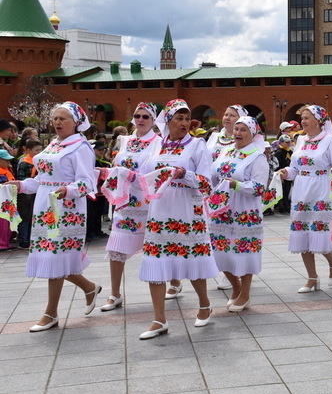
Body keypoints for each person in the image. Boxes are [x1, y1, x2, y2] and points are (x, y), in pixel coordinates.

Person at [6, 102, 101, 332]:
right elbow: (42, 180)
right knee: (54, 259)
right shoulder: (54, 145)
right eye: (55, 118)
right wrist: (19, 185)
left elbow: (87, 182)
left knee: (55, 259)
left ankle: (50, 313)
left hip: (66, 209)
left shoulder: (81, 147)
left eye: (63, 118)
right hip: (45, 208)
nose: (57, 122)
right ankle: (89, 288)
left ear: (76, 123)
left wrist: (67, 190)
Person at [138, 99, 219, 340]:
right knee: (156, 261)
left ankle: (204, 304)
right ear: (168, 121)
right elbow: (144, 175)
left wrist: (185, 174)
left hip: (186, 210)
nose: (184, 123)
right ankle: (159, 319)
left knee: (192, 260)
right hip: (160, 210)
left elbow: (208, 182)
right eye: (179, 118)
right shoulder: (155, 146)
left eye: (187, 119)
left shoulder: (197, 145)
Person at [279, 105, 332, 293]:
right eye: (302, 118)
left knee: (319, 232)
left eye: (307, 118)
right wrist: (285, 172)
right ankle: (312, 278)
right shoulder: (300, 140)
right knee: (302, 233)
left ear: (319, 120)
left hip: (321, 189)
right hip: (301, 189)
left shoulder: (329, 140)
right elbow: (295, 168)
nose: (303, 121)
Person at [100, 103, 160, 312]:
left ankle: (174, 282)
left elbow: (158, 173)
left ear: (153, 120)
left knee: (158, 247)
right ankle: (114, 293)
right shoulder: (125, 141)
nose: (140, 119)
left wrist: (134, 175)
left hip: (150, 203)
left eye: (145, 116)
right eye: (137, 115)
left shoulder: (158, 143)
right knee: (116, 247)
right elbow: (117, 166)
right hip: (125, 203)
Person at [209, 116, 268, 312]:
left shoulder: (257, 157)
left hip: (245, 210)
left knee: (244, 252)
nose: (238, 133)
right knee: (219, 250)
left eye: (243, 130)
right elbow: (214, 173)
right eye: (236, 129)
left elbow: (260, 187)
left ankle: (245, 293)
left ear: (252, 134)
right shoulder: (226, 150)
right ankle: (236, 286)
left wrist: (237, 184)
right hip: (223, 209)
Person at [16, 138, 42, 249]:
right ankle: (24, 240)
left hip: (36, 194)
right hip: (25, 196)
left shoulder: (40, 162)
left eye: (41, 150)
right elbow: (21, 178)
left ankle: (33, 238)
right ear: (27, 150)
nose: (39, 152)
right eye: (36, 150)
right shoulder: (24, 163)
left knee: (34, 216)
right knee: (25, 217)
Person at [86, 141, 111, 241]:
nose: (101, 151)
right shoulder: (91, 161)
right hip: (93, 190)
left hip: (102, 191)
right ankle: (91, 232)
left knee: (99, 211)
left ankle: (98, 230)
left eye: (103, 149)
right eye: (99, 149)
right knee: (92, 212)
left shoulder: (104, 160)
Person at [273, 134, 293, 214]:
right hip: (281, 174)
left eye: (289, 142)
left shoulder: (290, 151)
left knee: (287, 190)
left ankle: (286, 206)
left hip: (289, 173)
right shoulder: (278, 152)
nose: (288, 144)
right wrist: (280, 174)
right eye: (286, 142)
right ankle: (280, 207)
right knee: (281, 191)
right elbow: (277, 165)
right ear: (281, 143)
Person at [0, 149, 15, 250]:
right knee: (2, 223)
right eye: (6, 160)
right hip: (2, 203)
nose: (8, 163)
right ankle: (2, 244)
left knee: (7, 223)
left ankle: (5, 243)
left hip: (8, 202)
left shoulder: (6, 171)